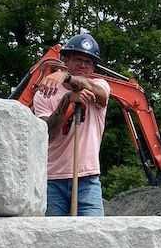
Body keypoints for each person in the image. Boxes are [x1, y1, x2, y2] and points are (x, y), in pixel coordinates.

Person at [32, 32, 111, 217]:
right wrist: (67, 100)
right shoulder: (44, 94)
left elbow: (98, 93)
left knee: (93, 231)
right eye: (77, 59)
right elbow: (48, 135)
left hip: (87, 179)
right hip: (52, 179)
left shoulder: (99, 86)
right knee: (54, 233)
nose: (83, 65)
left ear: (93, 67)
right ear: (66, 60)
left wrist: (66, 77)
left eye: (88, 62)